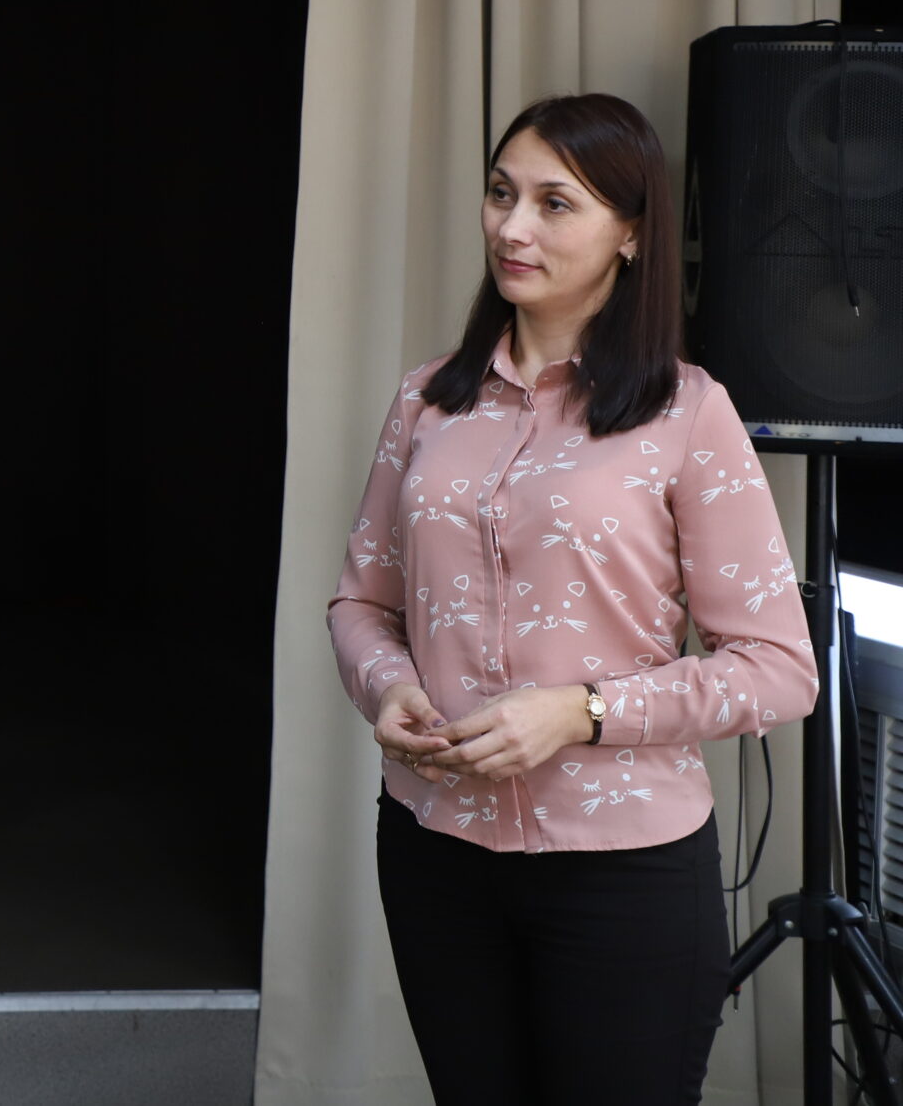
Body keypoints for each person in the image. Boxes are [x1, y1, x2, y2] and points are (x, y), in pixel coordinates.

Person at [327, 92, 816, 1106]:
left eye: (556, 203)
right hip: (433, 851)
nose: (513, 227)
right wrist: (387, 689)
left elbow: (778, 670)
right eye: (501, 193)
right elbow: (361, 603)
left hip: (622, 873)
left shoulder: (688, 413)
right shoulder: (426, 399)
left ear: (630, 234)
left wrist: (582, 713)